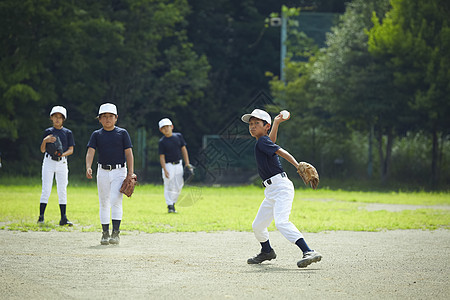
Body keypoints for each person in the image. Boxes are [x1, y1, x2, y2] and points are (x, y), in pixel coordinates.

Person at [241, 109, 322, 268]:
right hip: (272, 191)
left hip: (280, 188)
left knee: (281, 222)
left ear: (266, 126)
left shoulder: (262, 142)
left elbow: (279, 150)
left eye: (257, 123)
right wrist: (277, 123)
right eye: (250, 124)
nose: (252, 126)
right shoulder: (263, 141)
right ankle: (267, 252)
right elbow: (272, 141)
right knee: (257, 225)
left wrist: (297, 165)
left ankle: (309, 251)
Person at [85, 103, 135, 245]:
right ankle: (105, 233)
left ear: (116, 118)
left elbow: (129, 153)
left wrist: (130, 173)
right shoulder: (97, 134)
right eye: (104, 117)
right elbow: (90, 152)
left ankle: (116, 233)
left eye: (111, 116)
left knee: (115, 200)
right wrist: (88, 166)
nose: (108, 119)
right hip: (102, 171)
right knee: (104, 202)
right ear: (99, 119)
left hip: (119, 170)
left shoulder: (122, 133)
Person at [38, 106, 75, 226]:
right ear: (51, 118)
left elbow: (71, 150)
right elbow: (43, 150)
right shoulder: (48, 132)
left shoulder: (67, 132)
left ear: (63, 119)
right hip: (49, 161)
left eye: (60, 117)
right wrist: (45, 141)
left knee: (62, 189)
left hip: (62, 162)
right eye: (55, 117)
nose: (57, 119)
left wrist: (61, 154)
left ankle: (63, 218)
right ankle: (41, 217)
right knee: (46, 189)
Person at [158, 118, 192, 213]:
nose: (166, 129)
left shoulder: (178, 136)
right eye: (163, 128)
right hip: (168, 165)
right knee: (169, 184)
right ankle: (170, 205)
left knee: (179, 184)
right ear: (161, 130)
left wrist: (187, 163)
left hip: (178, 164)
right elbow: (162, 157)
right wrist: (164, 169)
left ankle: (173, 202)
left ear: (172, 127)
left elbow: (184, 150)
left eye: (167, 127)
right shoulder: (162, 142)